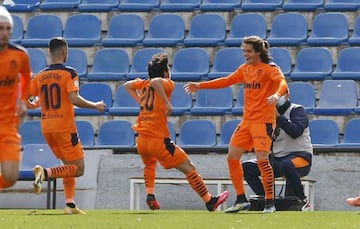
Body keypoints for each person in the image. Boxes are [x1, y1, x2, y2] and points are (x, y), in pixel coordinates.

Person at [184, 35, 288, 213]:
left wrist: (277, 95)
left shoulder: (269, 69)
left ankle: (270, 202)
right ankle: (241, 199)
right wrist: (200, 86)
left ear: (258, 52)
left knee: (263, 161)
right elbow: (226, 80)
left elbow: (283, 83)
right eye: (244, 51)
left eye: (248, 51)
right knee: (232, 157)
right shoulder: (245, 69)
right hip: (247, 121)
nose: (245, 54)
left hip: (263, 121)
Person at [124, 52, 229, 211]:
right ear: (166, 72)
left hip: (141, 140)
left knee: (150, 163)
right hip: (158, 139)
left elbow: (127, 85)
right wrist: (166, 103)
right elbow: (158, 81)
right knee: (188, 167)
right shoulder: (167, 83)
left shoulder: (144, 84)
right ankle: (209, 200)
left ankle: (150, 194)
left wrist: (141, 101)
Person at [26, 37, 106, 214]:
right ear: (65, 52)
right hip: (64, 127)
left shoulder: (39, 76)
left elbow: (26, 97)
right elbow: (73, 98)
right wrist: (95, 105)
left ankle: (70, 204)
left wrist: (33, 104)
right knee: (78, 169)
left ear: (50, 52)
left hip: (47, 127)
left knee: (67, 165)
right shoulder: (70, 73)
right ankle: (44, 173)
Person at [242, 90, 313, 211]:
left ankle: (302, 199)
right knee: (246, 166)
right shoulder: (267, 115)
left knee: (287, 164)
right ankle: (267, 199)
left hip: (300, 156)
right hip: (276, 159)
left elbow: (296, 131)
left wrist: (278, 117)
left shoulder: (297, 110)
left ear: (287, 96)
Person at [0, 6, 31, 190]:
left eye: (8, 29)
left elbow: (27, 77)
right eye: (0, 28)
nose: (5, 33)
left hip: (9, 123)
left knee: (11, 177)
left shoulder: (20, 55)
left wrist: (23, 100)